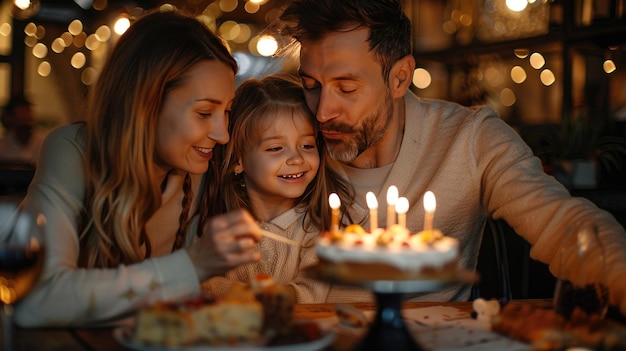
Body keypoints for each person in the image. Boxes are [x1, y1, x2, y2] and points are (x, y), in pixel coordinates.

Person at [276, 0, 626, 314]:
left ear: (399, 78)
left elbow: (563, 224)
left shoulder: (469, 139)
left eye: (347, 88)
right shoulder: (285, 144)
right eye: (311, 86)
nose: (322, 112)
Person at [13, 9, 264, 327]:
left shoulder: (199, 171)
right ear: (145, 104)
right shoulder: (74, 150)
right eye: (204, 113)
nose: (222, 133)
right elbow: (39, 298)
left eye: (226, 111)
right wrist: (192, 264)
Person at [201, 74, 355, 303]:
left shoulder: (320, 227)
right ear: (238, 161)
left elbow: (311, 292)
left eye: (306, 145)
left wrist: (226, 290)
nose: (296, 159)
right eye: (275, 148)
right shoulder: (218, 222)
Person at [0, 96, 45, 165]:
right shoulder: (2, 146)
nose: (27, 122)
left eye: (29, 118)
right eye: (22, 119)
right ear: (9, 118)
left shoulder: (43, 144)